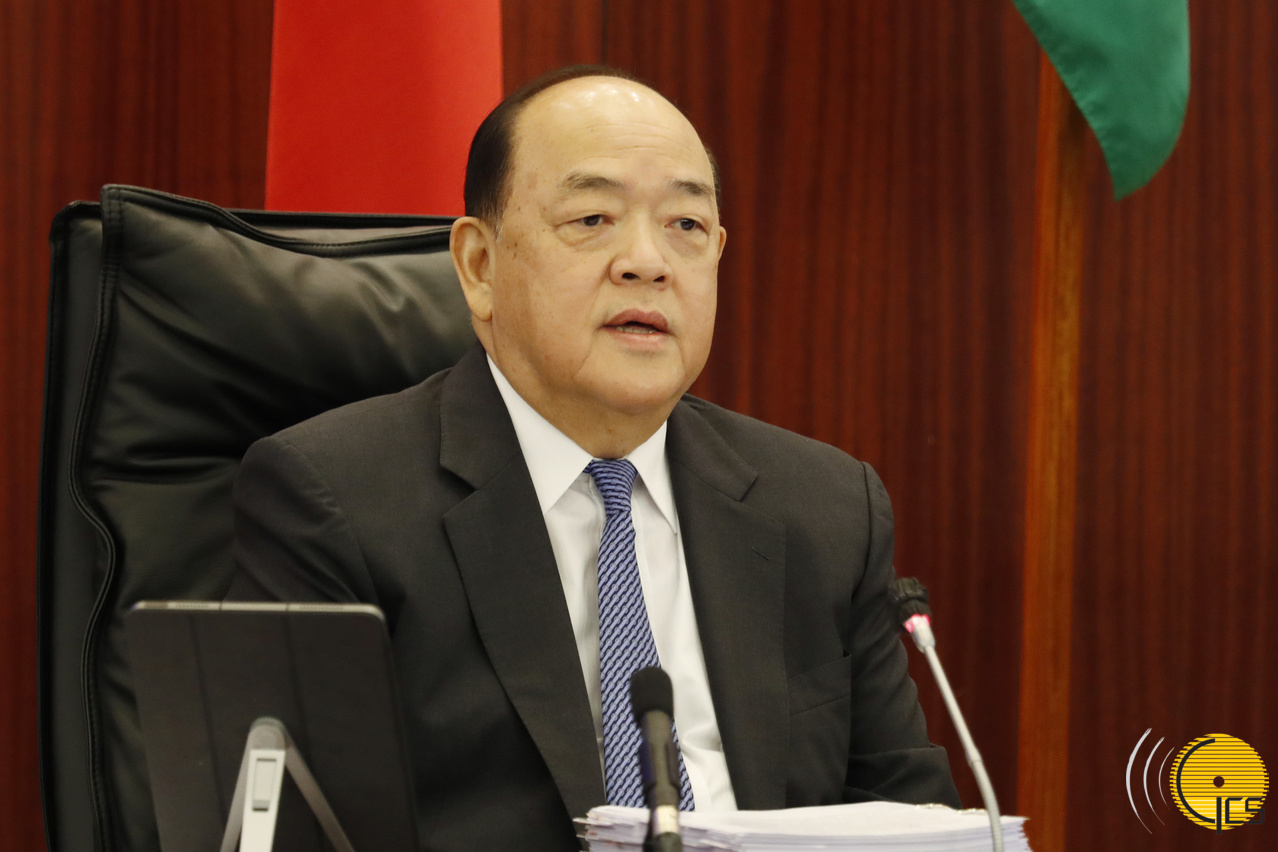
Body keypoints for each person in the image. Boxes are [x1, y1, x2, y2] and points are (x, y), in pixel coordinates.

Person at [229, 65, 959, 851]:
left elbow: (912, 824)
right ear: (478, 265)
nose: (648, 261)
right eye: (592, 218)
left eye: (685, 225)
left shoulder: (825, 508)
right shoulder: (336, 501)